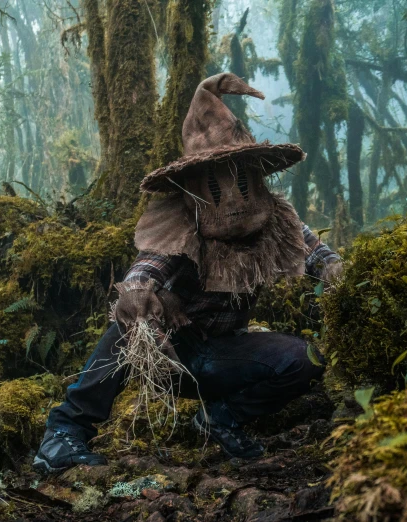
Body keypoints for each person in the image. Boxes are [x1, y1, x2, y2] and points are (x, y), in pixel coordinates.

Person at [33, 73, 343, 473]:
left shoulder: (275, 219)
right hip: (171, 356)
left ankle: (222, 417)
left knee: (303, 359)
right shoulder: (182, 224)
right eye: (216, 185)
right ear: (194, 188)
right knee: (128, 326)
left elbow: (316, 252)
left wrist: (336, 270)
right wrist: (138, 294)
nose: (231, 197)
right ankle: (65, 433)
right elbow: (149, 266)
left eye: (241, 179)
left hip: (225, 355)